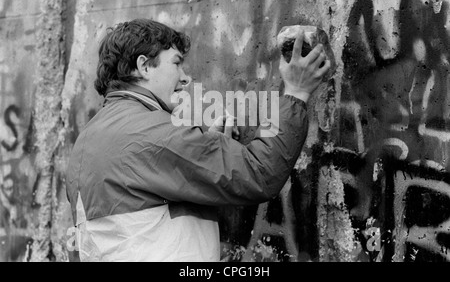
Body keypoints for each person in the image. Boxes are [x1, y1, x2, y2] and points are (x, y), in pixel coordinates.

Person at [65, 19, 330, 262]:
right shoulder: (158, 134)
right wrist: (296, 92)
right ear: (144, 66)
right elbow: (259, 172)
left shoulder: (88, 139)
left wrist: (205, 148)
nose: (185, 77)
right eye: (176, 63)